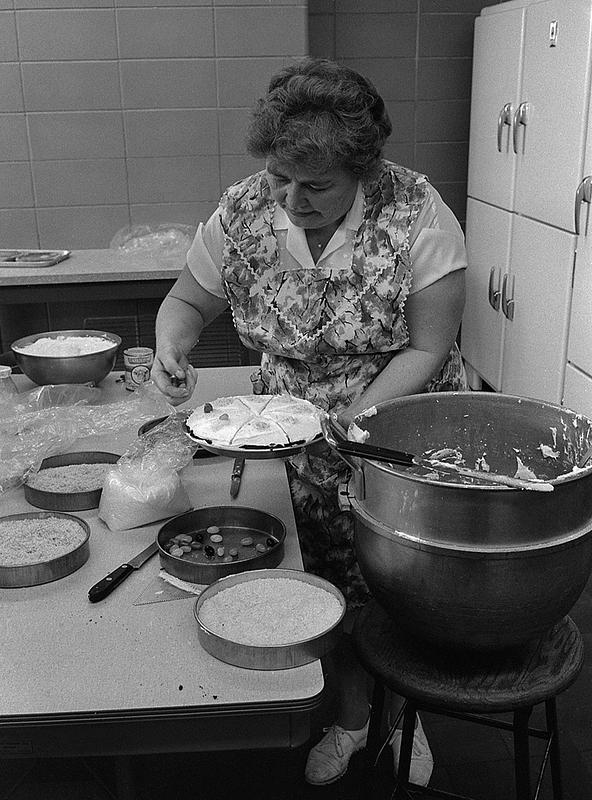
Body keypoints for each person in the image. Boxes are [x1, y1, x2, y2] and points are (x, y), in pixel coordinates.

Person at [151, 57, 468, 788]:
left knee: (397, 583)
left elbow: (429, 344)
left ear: (364, 170)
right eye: (280, 179)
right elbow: (185, 303)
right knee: (323, 581)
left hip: (395, 427)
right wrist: (173, 343)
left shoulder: (416, 211)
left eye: (316, 186)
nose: (291, 200)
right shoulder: (243, 211)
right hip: (286, 430)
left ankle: (406, 721)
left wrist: (352, 423)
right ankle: (354, 718)